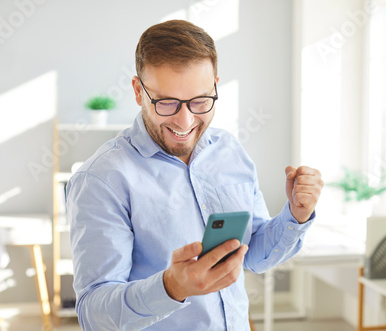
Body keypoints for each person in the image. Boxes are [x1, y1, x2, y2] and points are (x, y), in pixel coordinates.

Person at [67, 19, 323, 331]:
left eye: (200, 101)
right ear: (138, 91)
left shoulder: (230, 151)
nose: (185, 121)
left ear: (216, 85)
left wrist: (296, 216)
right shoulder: (102, 179)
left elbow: (253, 256)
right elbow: (94, 315)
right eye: (167, 103)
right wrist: (170, 289)